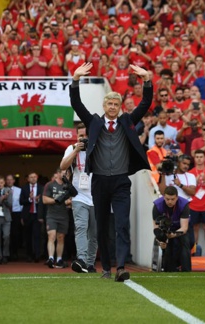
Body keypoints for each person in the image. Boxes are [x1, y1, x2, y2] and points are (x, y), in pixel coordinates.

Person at [70, 62, 152, 282]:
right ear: (105, 106)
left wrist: (147, 79)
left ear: (120, 107)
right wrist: (76, 80)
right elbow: (76, 104)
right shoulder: (94, 122)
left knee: (122, 224)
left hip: (121, 182)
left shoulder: (127, 121)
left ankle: (122, 266)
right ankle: (106, 267)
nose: (113, 107)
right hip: (99, 182)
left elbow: (145, 103)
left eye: (116, 104)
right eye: (110, 104)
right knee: (103, 227)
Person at [60, 123, 98, 273]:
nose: (83, 139)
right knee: (81, 228)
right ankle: (81, 259)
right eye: (80, 136)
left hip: (95, 196)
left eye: (86, 136)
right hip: (79, 196)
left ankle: (90, 263)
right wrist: (76, 150)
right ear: (77, 136)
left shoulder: (97, 147)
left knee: (94, 233)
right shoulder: (71, 148)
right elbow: (63, 166)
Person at [152, 186, 190, 272]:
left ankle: (186, 270)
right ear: (163, 197)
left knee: (185, 242)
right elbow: (155, 228)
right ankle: (168, 269)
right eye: (167, 199)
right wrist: (161, 239)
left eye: (172, 199)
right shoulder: (157, 205)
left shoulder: (184, 204)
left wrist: (172, 235)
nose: (170, 201)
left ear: (177, 197)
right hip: (164, 230)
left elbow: (184, 228)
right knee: (165, 246)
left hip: (179, 230)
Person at [42, 169, 72, 269]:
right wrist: (57, 200)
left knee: (61, 237)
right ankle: (50, 258)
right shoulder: (50, 185)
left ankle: (59, 259)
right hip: (52, 215)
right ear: (58, 173)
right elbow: (44, 199)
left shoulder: (69, 186)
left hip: (64, 215)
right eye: (63, 172)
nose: (65, 175)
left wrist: (68, 202)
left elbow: (71, 200)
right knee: (52, 235)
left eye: (67, 173)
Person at [19, 172, 44, 263]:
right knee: (28, 236)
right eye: (31, 177)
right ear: (28, 179)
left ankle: (37, 255)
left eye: (34, 177)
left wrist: (38, 200)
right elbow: (21, 201)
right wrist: (30, 199)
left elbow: (44, 201)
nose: (33, 179)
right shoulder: (24, 188)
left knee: (37, 235)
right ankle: (29, 255)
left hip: (37, 215)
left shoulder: (42, 188)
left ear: (37, 178)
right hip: (27, 215)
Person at [0, 175, 12, 265]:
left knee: (6, 236)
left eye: (1, 183)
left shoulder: (8, 191)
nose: (0, 184)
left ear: (4, 183)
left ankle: (5, 255)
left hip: (6, 217)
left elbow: (10, 204)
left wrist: (6, 199)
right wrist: (2, 198)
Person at [6, 174, 23, 261]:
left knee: (15, 234)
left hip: (16, 213)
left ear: (13, 181)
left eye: (11, 179)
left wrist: (22, 216)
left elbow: (21, 203)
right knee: (7, 234)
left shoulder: (19, 190)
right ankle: (7, 254)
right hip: (6, 213)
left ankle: (15, 253)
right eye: (7, 180)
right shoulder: (3, 190)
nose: (9, 181)